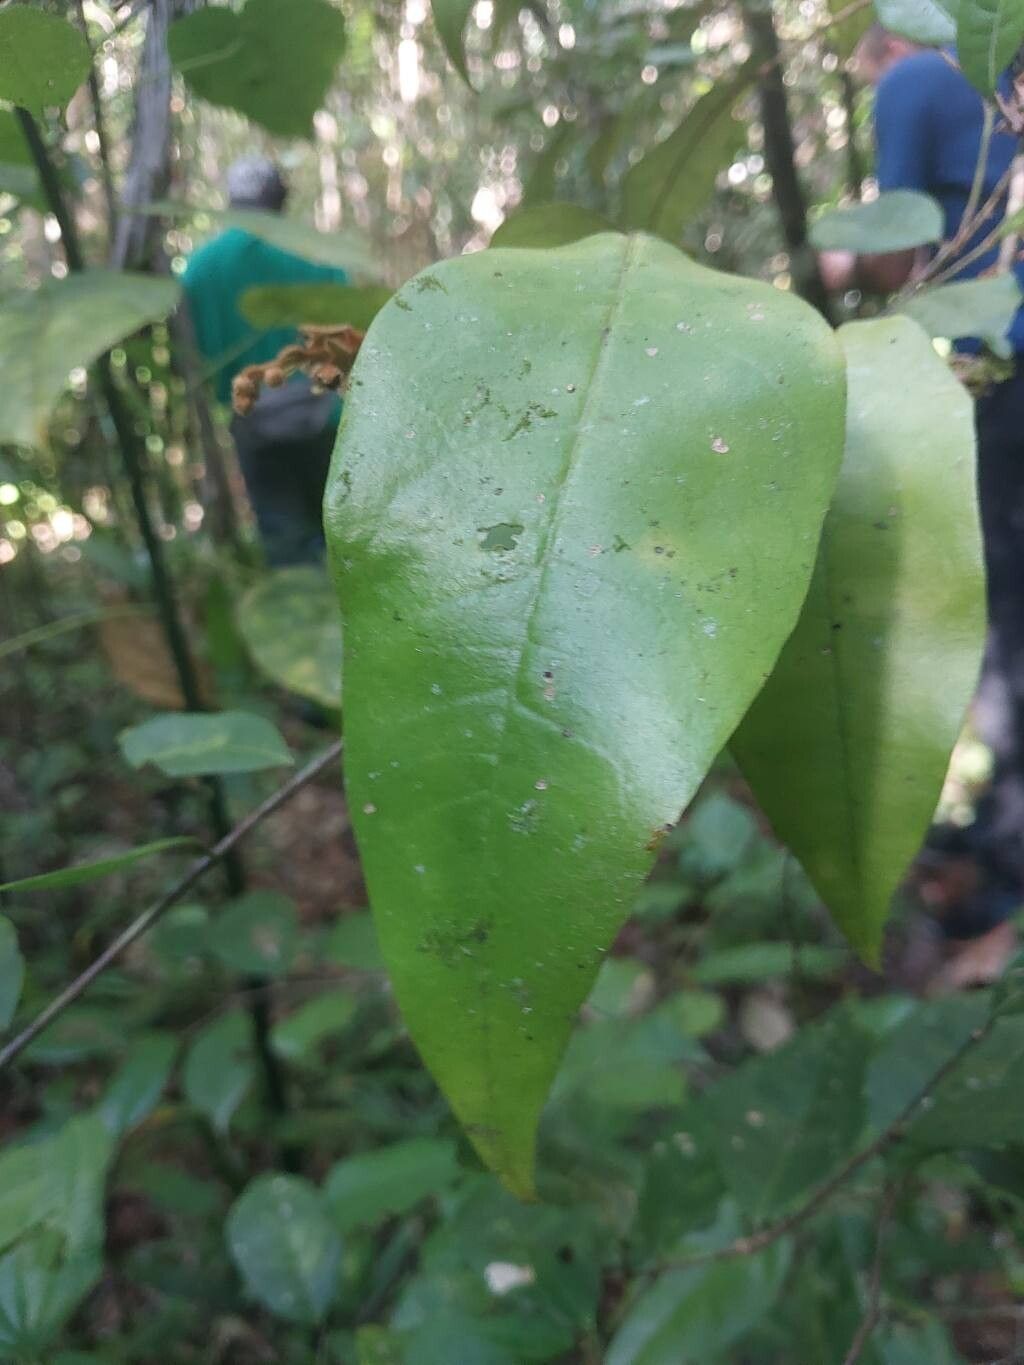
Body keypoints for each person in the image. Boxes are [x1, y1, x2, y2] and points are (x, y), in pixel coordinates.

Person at [827, 29, 1024, 952]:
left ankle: (1009, 864)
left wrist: (839, 255)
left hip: (1007, 362)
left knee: (1006, 599)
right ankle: (997, 825)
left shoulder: (911, 81)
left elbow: (898, 247)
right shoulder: (1003, 70)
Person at [182, 156, 348, 566]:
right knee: (341, 531)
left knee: (284, 540)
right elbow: (349, 336)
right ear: (280, 199)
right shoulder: (317, 254)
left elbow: (190, 353)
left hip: (252, 419)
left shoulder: (199, 270)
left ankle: (302, 621)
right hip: (322, 416)